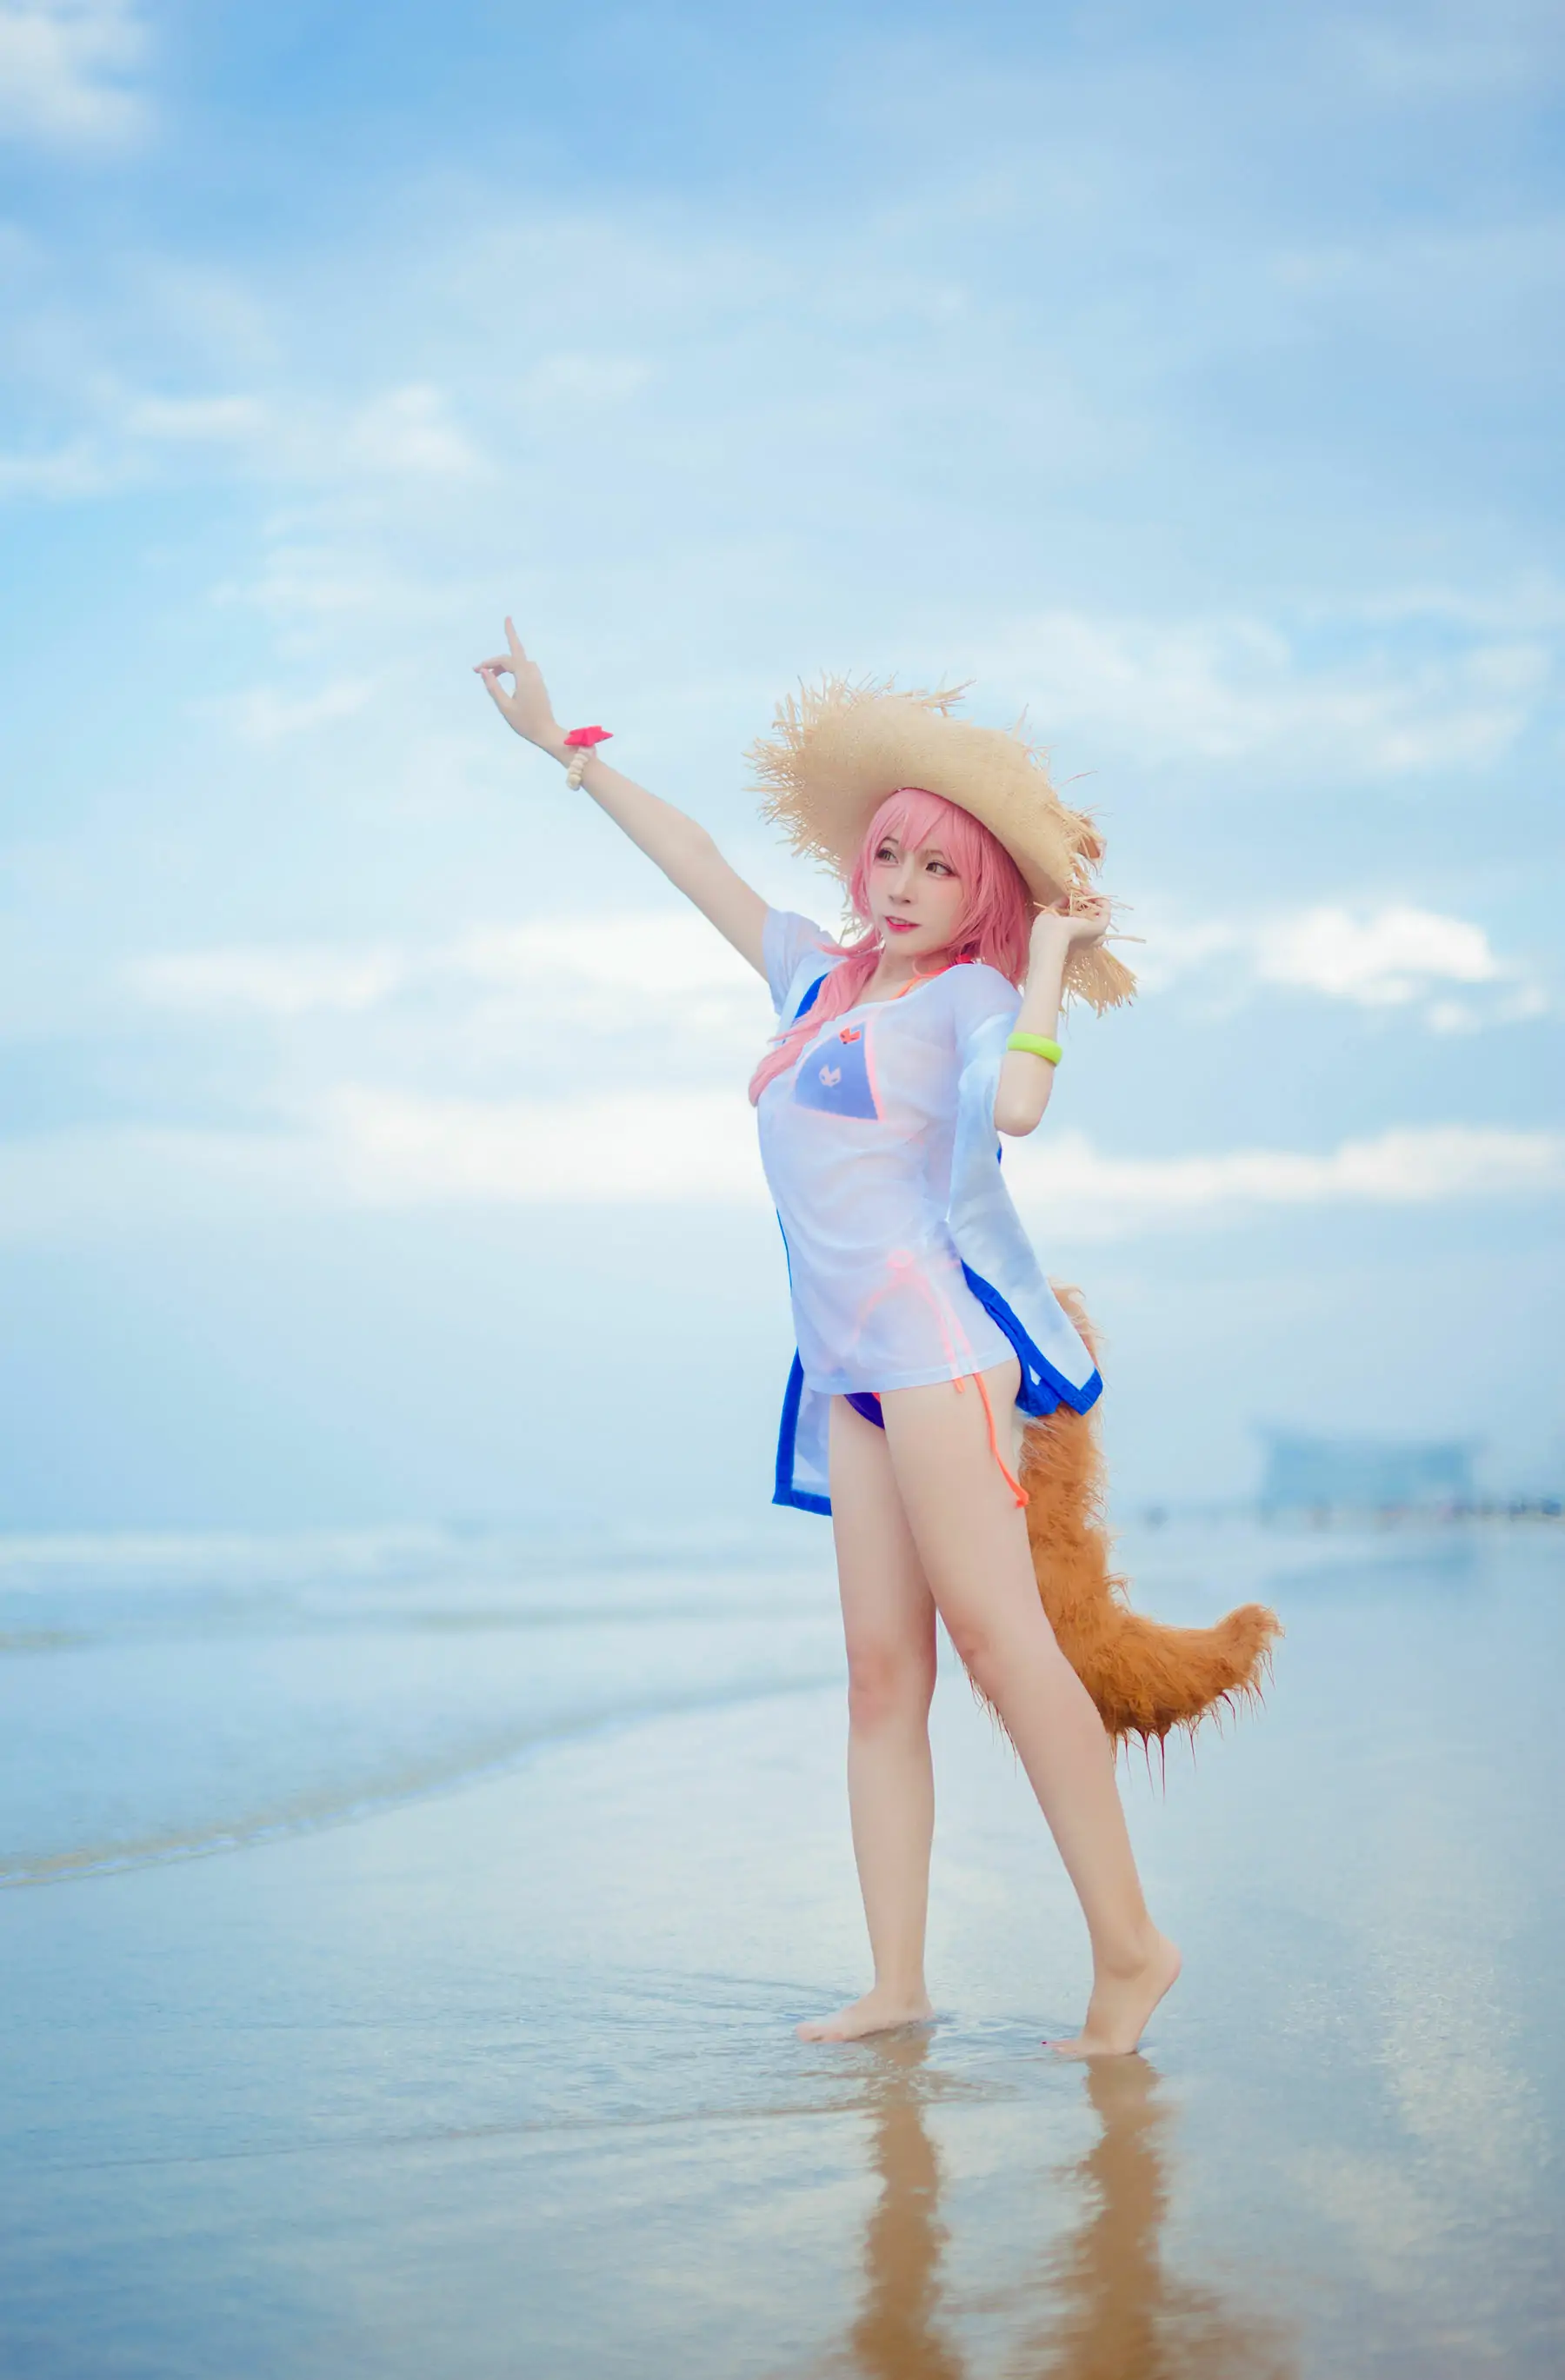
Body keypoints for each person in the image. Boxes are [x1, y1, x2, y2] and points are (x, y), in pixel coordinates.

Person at [476, 622, 1181, 2057]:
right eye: (890, 857)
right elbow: (696, 862)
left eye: (941, 868)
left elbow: (1019, 1111)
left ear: (981, 892)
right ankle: (896, 1980)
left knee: (1003, 1650)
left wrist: (1049, 961)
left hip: (942, 1355)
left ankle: (1130, 1948)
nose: (905, 885)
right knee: (880, 1674)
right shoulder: (813, 977)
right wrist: (566, 748)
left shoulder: (976, 996)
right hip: (851, 1371)